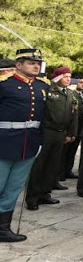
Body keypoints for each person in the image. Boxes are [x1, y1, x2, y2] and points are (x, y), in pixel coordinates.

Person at [0, 49, 47, 242]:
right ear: (18, 65)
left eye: (38, 63)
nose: (36, 66)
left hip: (29, 143)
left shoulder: (41, 87)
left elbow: (44, 117)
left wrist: (40, 141)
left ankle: (3, 229)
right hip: (4, 141)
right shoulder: (4, 85)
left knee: (14, 187)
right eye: (30, 62)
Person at [26, 66, 78, 210]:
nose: (68, 79)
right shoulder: (48, 90)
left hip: (61, 133)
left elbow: (74, 115)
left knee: (53, 165)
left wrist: (71, 133)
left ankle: (45, 193)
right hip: (47, 131)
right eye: (65, 76)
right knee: (40, 165)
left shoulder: (70, 94)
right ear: (57, 77)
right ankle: (32, 197)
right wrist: (52, 83)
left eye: (69, 76)